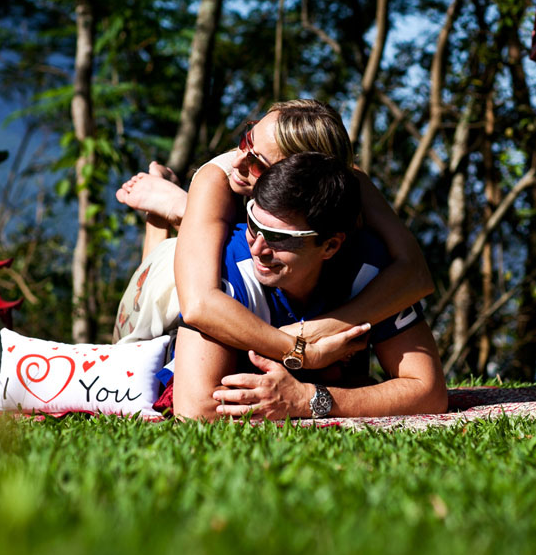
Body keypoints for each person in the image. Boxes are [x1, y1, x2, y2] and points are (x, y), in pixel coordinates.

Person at [114, 99, 433, 372]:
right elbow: (198, 304)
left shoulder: (350, 183)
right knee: (176, 263)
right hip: (191, 257)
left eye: (256, 163)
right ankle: (169, 214)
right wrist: (301, 351)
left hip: (260, 258)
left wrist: (325, 326)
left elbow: (416, 274)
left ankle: (181, 210)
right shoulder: (221, 177)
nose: (238, 159)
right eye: (245, 140)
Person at [172, 152, 448, 420]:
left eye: (280, 239)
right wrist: (306, 355)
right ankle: (168, 206)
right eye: (252, 224)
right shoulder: (227, 260)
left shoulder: (370, 270)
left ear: (330, 245)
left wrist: (307, 399)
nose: (257, 248)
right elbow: (196, 408)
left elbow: (429, 393)